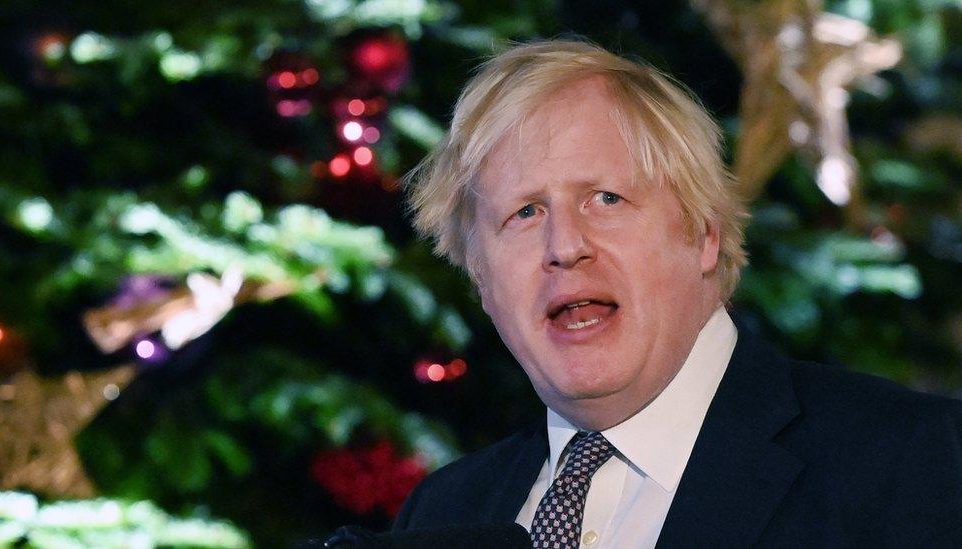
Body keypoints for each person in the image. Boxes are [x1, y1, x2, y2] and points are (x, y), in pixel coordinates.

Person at [392, 40, 962, 547]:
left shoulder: (915, 462)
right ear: (481, 280)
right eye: (523, 212)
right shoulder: (439, 515)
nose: (564, 245)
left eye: (606, 198)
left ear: (703, 233)